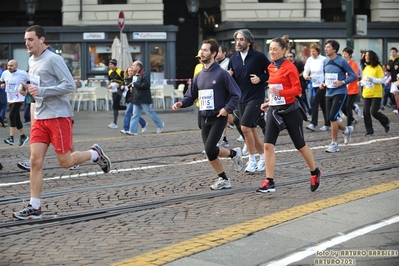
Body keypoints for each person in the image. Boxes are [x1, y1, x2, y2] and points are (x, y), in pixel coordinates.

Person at [13, 25, 111, 220]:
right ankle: (35, 206)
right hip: (41, 117)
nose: (27, 43)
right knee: (34, 161)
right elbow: (38, 86)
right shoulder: (32, 60)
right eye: (26, 40)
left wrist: (42, 92)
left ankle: (95, 154)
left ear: (41, 39)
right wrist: (27, 90)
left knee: (65, 162)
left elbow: (69, 85)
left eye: (31, 39)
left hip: (58, 116)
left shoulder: (53, 59)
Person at [172, 38, 243, 190]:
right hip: (204, 116)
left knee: (210, 149)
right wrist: (181, 103)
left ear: (214, 53)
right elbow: (190, 96)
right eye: (201, 49)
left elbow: (236, 94)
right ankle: (224, 177)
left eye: (205, 50)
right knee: (210, 153)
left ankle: (233, 155)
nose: (201, 52)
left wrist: (227, 109)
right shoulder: (199, 75)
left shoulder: (222, 74)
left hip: (219, 117)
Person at [256, 35, 322, 193]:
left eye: (275, 49)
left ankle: (315, 172)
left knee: (299, 144)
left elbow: (298, 90)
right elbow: (274, 89)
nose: (271, 52)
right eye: (270, 49)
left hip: (291, 110)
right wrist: (269, 101)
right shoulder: (271, 67)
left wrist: (281, 92)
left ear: (284, 50)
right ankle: (269, 181)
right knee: (267, 145)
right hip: (275, 109)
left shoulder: (290, 67)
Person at [228, 29, 270, 173]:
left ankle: (251, 160)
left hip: (256, 97)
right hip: (241, 98)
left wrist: (260, 79)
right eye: (237, 40)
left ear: (248, 42)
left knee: (244, 126)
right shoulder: (233, 58)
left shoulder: (259, 57)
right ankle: (263, 157)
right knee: (251, 129)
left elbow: (270, 72)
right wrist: (228, 76)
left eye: (241, 40)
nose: (238, 42)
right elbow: (232, 80)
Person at [320, 40, 357, 153]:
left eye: (328, 47)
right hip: (328, 93)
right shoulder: (325, 61)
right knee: (331, 118)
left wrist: (343, 82)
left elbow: (353, 76)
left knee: (332, 117)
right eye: (325, 47)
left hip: (340, 93)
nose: (326, 49)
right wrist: (323, 83)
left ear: (334, 49)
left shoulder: (342, 61)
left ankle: (334, 144)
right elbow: (325, 76)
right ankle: (346, 130)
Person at [128, 60, 165, 135]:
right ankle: (133, 131)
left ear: (138, 66)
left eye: (133, 65)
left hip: (143, 97)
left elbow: (146, 84)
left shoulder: (145, 74)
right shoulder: (136, 74)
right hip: (136, 97)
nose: (132, 67)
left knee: (149, 112)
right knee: (135, 114)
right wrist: (133, 87)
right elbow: (136, 84)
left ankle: (160, 124)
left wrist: (135, 84)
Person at [360, 50, 390, 135]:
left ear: (372, 57)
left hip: (376, 93)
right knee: (366, 112)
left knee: (373, 112)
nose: (366, 57)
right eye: (365, 56)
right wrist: (361, 82)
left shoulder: (378, 67)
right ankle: (369, 131)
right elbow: (364, 79)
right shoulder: (365, 67)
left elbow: (383, 80)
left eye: (368, 56)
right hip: (366, 93)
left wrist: (373, 79)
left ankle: (385, 121)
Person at [0, 59, 30, 146]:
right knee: (16, 118)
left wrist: (25, 90)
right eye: (8, 65)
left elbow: (29, 82)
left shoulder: (23, 73)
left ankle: (11, 138)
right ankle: (23, 136)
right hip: (10, 98)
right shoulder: (5, 73)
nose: (9, 67)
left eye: (11, 66)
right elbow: (2, 80)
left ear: (16, 66)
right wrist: (2, 84)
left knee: (11, 115)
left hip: (19, 97)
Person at [303, 43, 329, 131]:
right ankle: (327, 123)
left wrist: (325, 82)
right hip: (314, 84)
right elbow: (305, 71)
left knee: (314, 101)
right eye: (311, 51)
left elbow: (328, 72)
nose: (312, 53)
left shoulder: (323, 59)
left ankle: (313, 124)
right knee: (323, 104)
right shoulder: (309, 60)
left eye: (314, 51)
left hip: (323, 84)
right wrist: (306, 76)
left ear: (318, 51)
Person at [215, 45, 234, 148]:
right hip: (221, 95)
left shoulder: (227, 63)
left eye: (218, 52)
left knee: (233, 120)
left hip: (229, 95)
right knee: (223, 117)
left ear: (224, 53)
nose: (216, 53)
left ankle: (247, 135)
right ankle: (223, 138)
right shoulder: (216, 64)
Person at [120, 66, 148, 135]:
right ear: (127, 72)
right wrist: (122, 87)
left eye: (132, 71)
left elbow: (138, 85)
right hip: (128, 97)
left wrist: (134, 88)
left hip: (134, 97)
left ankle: (126, 128)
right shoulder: (125, 79)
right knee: (133, 114)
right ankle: (143, 123)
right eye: (129, 71)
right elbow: (123, 87)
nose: (130, 72)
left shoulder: (135, 78)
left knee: (127, 113)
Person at [287, 52, 312, 117]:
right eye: (288, 57)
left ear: (294, 57)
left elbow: (305, 71)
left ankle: (308, 112)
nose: (289, 58)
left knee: (303, 100)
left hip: (300, 85)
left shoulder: (298, 64)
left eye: (291, 56)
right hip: (291, 86)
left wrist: (298, 75)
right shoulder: (286, 65)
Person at [341, 47, 360, 128]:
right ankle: (352, 119)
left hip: (352, 89)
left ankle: (349, 125)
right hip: (343, 89)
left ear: (350, 55)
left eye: (345, 54)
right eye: (343, 53)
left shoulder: (354, 64)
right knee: (342, 107)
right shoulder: (342, 63)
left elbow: (354, 76)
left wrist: (345, 78)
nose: (343, 55)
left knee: (348, 107)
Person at [107, 58, 125, 129]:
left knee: (114, 105)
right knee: (117, 106)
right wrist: (109, 85)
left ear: (115, 65)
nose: (110, 66)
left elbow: (125, 81)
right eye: (109, 64)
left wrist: (120, 85)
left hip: (119, 91)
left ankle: (114, 123)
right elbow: (110, 81)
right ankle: (130, 108)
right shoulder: (109, 72)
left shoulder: (120, 71)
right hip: (113, 90)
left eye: (111, 64)